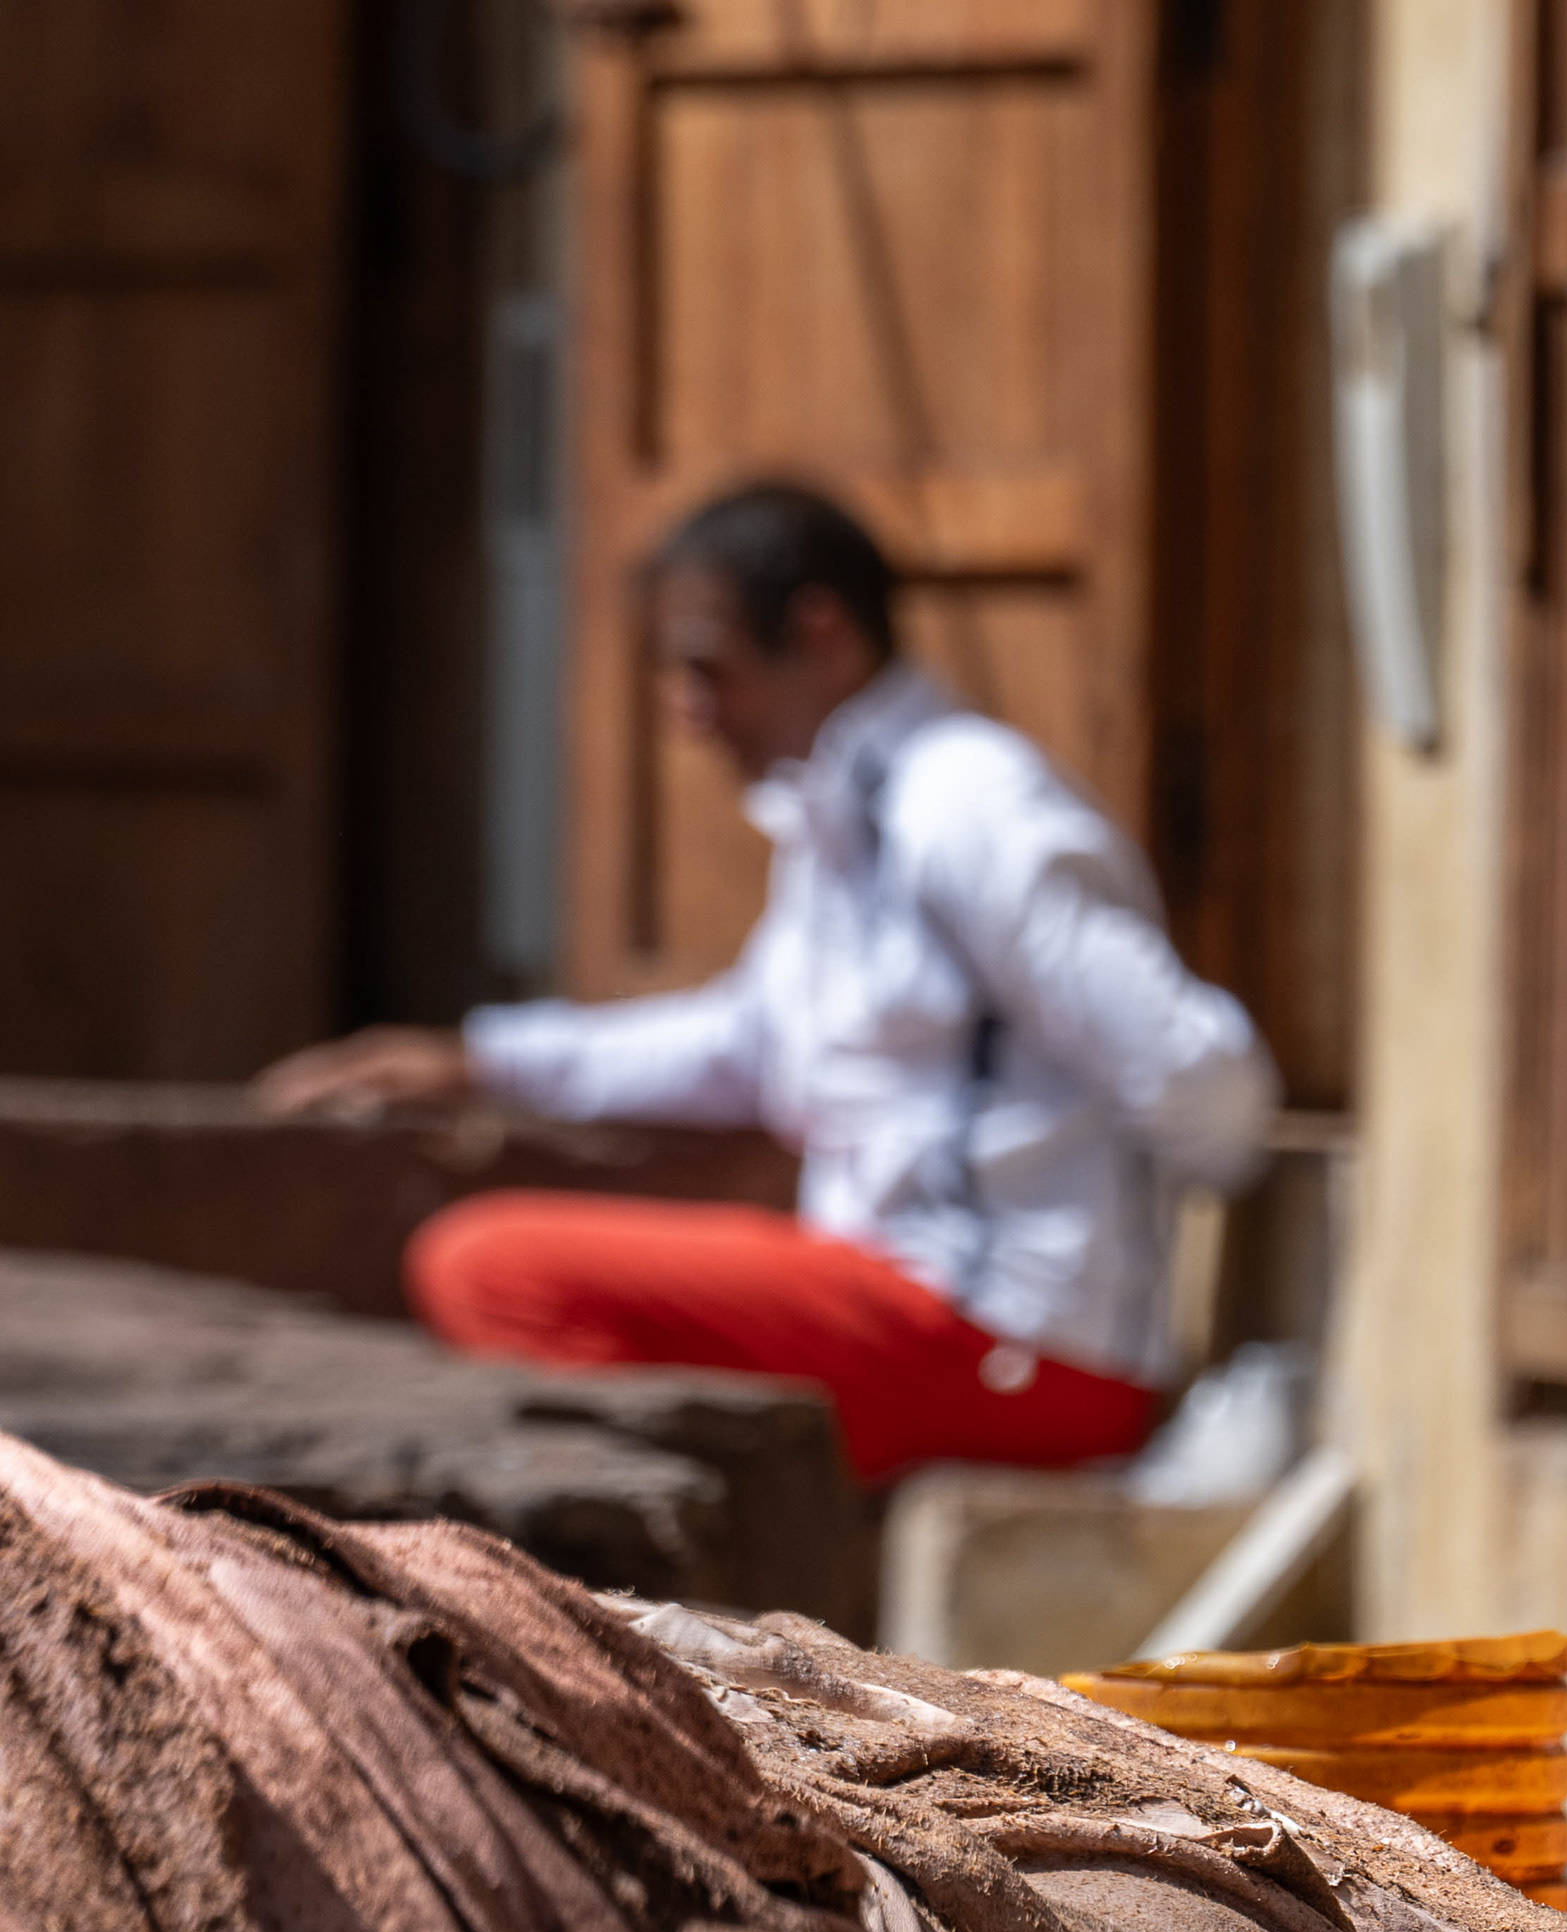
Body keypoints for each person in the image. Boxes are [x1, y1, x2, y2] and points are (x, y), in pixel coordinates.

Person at [259, 483, 1273, 1483]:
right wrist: (478, 1062)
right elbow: (748, 1045)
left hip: (1008, 1344)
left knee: (489, 1269)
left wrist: (1096, 1275)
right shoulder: (848, 812)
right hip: (924, 1312)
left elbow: (1211, 1085)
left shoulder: (965, 805)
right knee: (498, 1271)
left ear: (822, 636)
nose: (689, 714)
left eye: (709, 669)